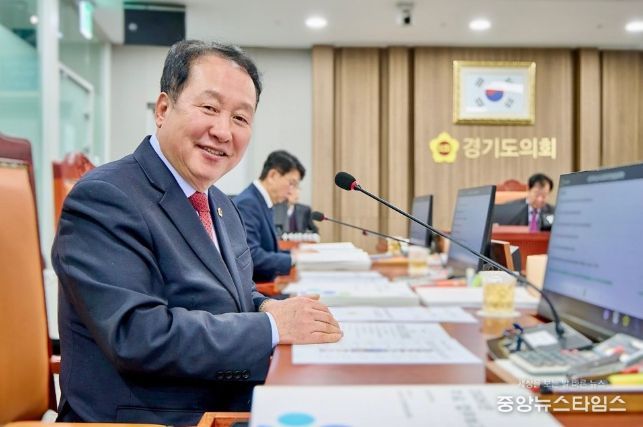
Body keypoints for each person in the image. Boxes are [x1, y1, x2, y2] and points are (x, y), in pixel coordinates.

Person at [51, 40, 341, 425]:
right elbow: (137, 334)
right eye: (209, 108)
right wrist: (272, 327)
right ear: (163, 109)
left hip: (227, 399)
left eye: (240, 118)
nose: (223, 131)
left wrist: (266, 307)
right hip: (151, 418)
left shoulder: (220, 202)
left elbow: (233, 292)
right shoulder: (106, 197)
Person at [233, 150, 304, 282]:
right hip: (256, 288)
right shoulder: (248, 203)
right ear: (272, 175)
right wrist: (293, 259)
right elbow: (250, 256)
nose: (291, 191)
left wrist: (293, 254)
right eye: (291, 183)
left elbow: (268, 249)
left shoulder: (261, 202)